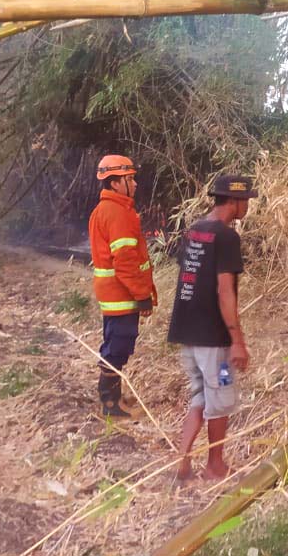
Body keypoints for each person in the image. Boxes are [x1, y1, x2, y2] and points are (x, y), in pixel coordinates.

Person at [168, 174, 257, 480]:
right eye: (245, 200)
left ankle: (182, 461)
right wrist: (237, 339)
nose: (247, 205)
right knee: (221, 397)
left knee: (200, 396)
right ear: (233, 201)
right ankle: (214, 465)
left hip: (188, 332)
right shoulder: (226, 236)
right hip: (214, 340)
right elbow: (225, 290)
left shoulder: (195, 230)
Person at [88, 154, 157, 418]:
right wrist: (142, 295)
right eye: (130, 179)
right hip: (121, 293)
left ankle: (113, 396)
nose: (135, 183)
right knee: (119, 344)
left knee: (116, 341)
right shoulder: (117, 213)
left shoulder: (107, 210)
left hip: (113, 292)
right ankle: (109, 404)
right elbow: (126, 260)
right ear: (115, 183)